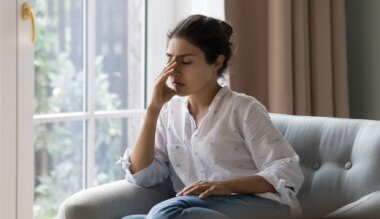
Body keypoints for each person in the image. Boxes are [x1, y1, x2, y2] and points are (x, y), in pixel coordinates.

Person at [119, 14, 304, 219]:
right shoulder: (169, 113)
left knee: (166, 213)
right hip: (198, 210)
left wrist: (225, 186)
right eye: (169, 59)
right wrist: (153, 109)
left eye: (185, 62)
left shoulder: (243, 109)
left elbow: (287, 171)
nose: (173, 71)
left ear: (217, 62)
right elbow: (142, 176)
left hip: (259, 205)